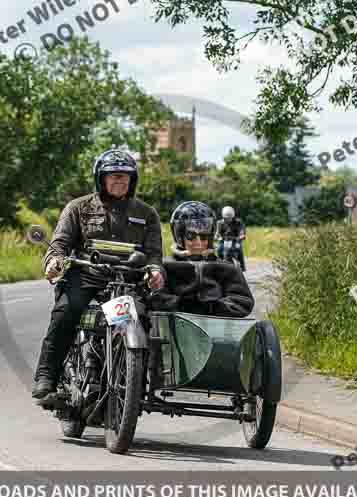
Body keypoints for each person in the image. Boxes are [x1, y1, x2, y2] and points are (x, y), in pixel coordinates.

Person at [33, 149, 165, 400]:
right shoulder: (78, 207)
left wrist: (155, 271)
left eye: (125, 176)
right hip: (86, 275)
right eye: (113, 176)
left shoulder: (147, 214)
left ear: (133, 180)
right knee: (66, 311)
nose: (120, 181)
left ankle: (139, 381)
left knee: (143, 320)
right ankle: (46, 376)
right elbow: (60, 244)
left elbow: (155, 254)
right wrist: (54, 262)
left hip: (127, 279)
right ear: (101, 179)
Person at [149, 201, 253, 317]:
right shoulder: (165, 266)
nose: (198, 242)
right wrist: (183, 306)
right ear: (179, 235)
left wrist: (213, 308)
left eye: (204, 236)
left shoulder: (227, 267)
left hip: (217, 328)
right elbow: (154, 297)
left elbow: (243, 301)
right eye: (191, 236)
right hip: (175, 328)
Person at [215, 206, 247, 272]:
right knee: (218, 249)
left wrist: (242, 236)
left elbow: (242, 231)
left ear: (233, 216)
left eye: (230, 218)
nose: (228, 219)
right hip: (223, 240)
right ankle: (218, 266)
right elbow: (217, 233)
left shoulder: (238, 222)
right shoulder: (220, 223)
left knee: (239, 250)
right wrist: (216, 237)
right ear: (223, 216)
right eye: (226, 218)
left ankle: (242, 266)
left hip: (235, 240)